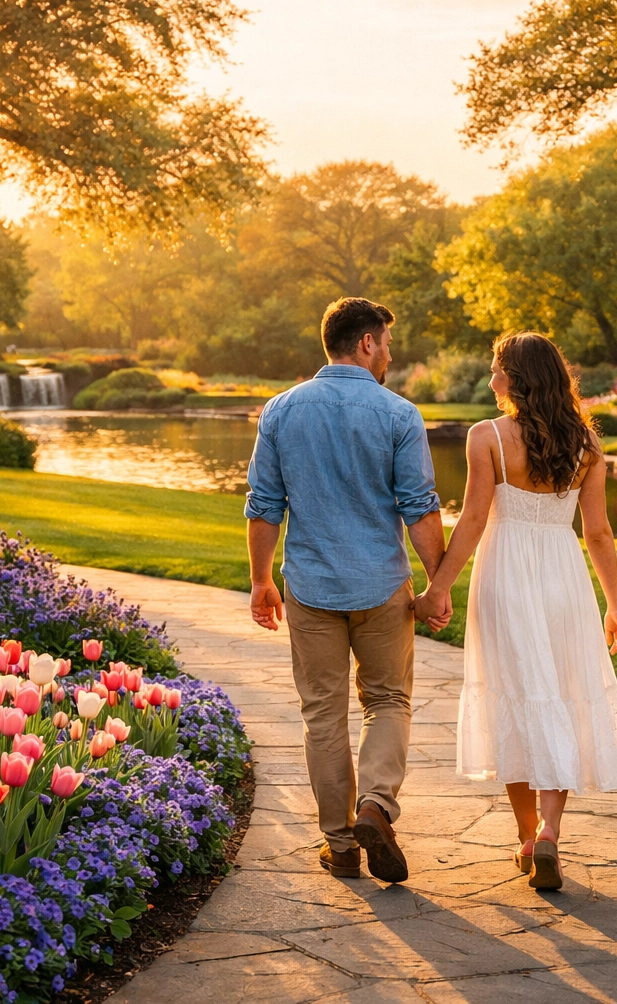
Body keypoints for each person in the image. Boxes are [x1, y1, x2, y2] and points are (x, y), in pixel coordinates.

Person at [414, 332, 617, 891]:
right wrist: (614, 605)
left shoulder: (487, 437)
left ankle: (525, 838)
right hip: (563, 577)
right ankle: (550, 834)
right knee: (561, 697)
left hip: (505, 577)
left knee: (513, 697)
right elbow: (598, 532)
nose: (491, 381)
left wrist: (438, 588)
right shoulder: (587, 444)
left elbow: (471, 521)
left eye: (497, 370)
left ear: (516, 377)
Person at [244, 296, 448, 884]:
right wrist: (436, 582)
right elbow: (419, 507)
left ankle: (340, 848)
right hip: (382, 585)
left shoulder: (281, 411)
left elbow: (264, 506)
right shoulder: (398, 414)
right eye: (385, 342)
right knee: (388, 701)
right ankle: (375, 807)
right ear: (365, 343)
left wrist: (261, 581)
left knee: (324, 717)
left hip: (310, 588)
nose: (389, 354)